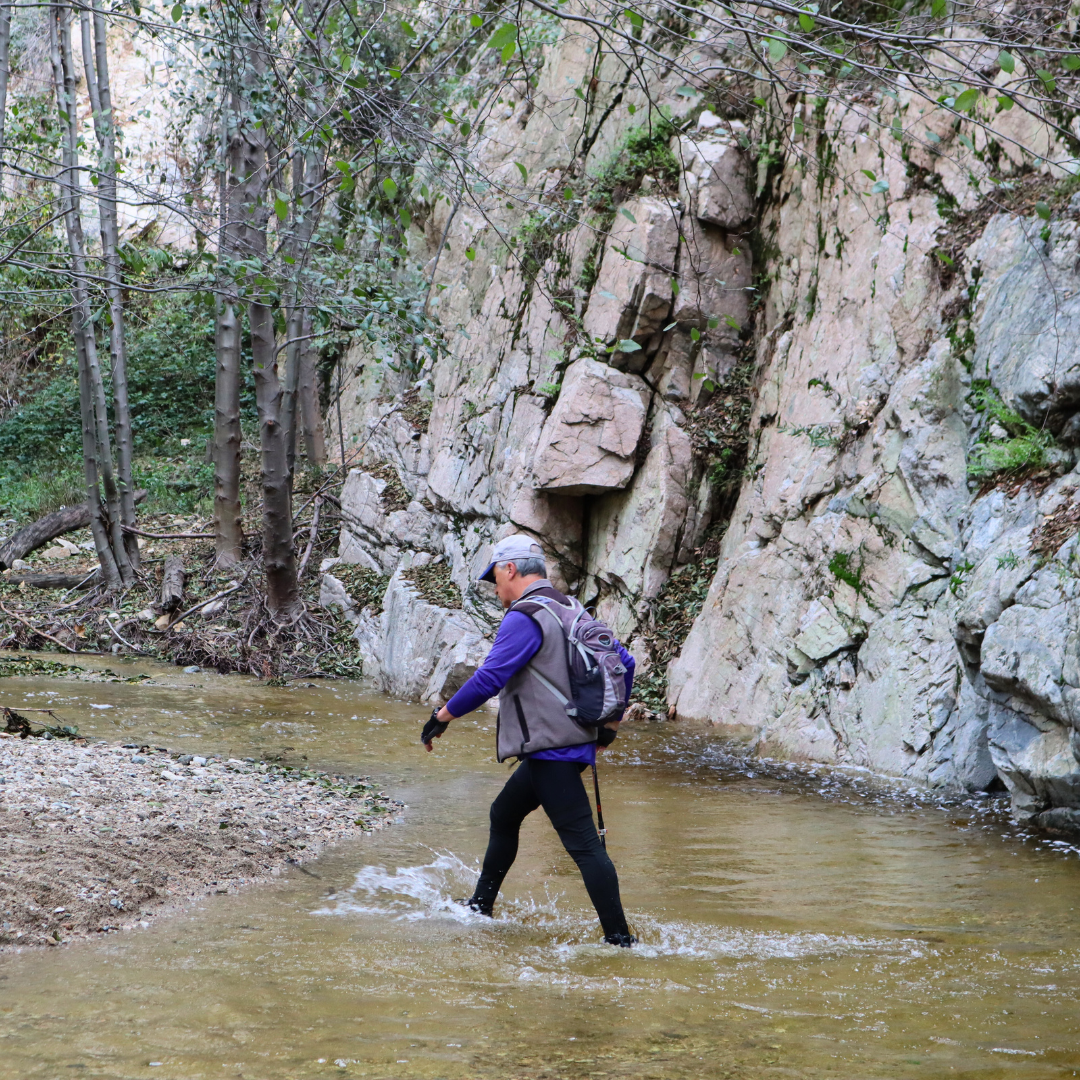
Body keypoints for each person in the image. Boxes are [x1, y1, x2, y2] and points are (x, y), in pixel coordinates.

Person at [421, 534, 637, 947]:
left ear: (510, 570)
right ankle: (479, 908)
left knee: (585, 846)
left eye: (496, 579)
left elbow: (489, 677)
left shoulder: (525, 615)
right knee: (503, 814)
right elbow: (624, 663)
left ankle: (620, 942)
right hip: (564, 748)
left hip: (551, 750)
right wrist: (607, 731)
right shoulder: (570, 608)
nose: (497, 590)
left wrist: (442, 716)